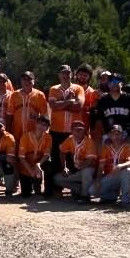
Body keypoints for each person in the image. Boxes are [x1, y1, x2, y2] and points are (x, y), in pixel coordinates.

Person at [45, 65, 84, 195]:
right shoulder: (54, 89)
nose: (65, 75)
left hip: (73, 132)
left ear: (71, 75)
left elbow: (79, 106)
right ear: (59, 75)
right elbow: (53, 105)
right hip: (57, 131)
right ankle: (55, 189)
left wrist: (63, 103)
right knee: (55, 160)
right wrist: (69, 101)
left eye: (68, 73)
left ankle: (76, 189)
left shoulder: (78, 88)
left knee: (74, 161)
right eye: (63, 73)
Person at [54, 119, 99, 200]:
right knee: (57, 178)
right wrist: (64, 167)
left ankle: (85, 196)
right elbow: (62, 152)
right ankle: (79, 190)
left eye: (80, 130)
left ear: (84, 131)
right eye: (76, 130)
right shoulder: (70, 139)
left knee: (87, 171)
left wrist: (78, 168)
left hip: (89, 171)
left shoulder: (89, 142)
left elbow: (90, 162)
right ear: (71, 131)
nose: (78, 132)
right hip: (76, 170)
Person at [4, 71, 49, 143]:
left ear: (33, 81)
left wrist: (43, 132)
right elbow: (9, 115)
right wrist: (8, 132)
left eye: (29, 79)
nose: (26, 82)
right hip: (16, 133)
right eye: (24, 79)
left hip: (33, 133)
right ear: (21, 81)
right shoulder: (14, 95)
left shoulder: (40, 95)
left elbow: (44, 116)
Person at [96, 125, 130, 204]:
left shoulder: (127, 147)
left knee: (128, 171)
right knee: (92, 190)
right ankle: (111, 196)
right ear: (110, 136)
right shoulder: (105, 148)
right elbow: (101, 167)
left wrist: (120, 166)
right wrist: (97, 180)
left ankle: (126, 199)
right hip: (110, 177)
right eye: (113, 134)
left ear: (122, 135)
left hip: (122, 176)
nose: (116, 136)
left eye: (118, 134)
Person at [16, 113, 51, 196]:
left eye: (44, 125)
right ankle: (33, 181)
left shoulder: (48, 138)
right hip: (26, 167)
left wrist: (39, 164)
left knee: (49, 165)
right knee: (26, 194)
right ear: (36, 124)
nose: (41, 126)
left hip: (38, 166)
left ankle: (46, 190)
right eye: (39, 123)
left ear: (47, 128)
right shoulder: (25, 137)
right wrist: (31, 172)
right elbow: (21, 158)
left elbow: (46, 155)